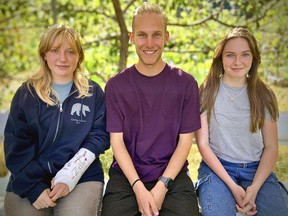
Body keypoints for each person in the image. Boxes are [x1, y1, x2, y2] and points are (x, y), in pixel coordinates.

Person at [101, 2, 201, 216]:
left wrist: (162, 185)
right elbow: (116, 143)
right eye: (142, 35)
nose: (149, 43)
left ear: (166, 36)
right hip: (127, 178)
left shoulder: (185, 84)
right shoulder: (116, 86)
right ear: (131, 37)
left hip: (172, 176)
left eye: (156, 35)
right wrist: (138, 187)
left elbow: (185, 143)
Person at [4, 24, 110, 216]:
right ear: (44, 54)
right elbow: (16, 145)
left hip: (81, 178)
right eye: (55, 51)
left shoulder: (93, 93)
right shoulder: (26, 94)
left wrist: (70, 175)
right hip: (29, 178)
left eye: (70, 52)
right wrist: (34, 188)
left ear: (79, 57)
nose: (63, 58)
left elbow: (99, 137)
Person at [195, 27, 288, 216]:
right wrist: (232, 186)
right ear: (221, 58)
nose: (237, 62)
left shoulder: (264, 95)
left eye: (245, 54)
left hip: (256, 170)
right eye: (230, 55)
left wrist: (253, 189)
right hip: (217, 169)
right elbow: (203, 145)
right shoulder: (207, 92)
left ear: (253, 58)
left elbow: (271, 147)